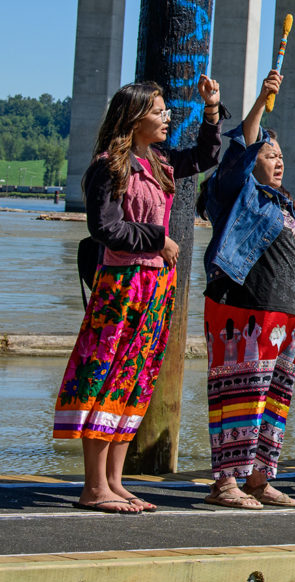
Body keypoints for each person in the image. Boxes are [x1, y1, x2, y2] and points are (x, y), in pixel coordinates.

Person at [53, 76, 222, 513]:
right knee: (105, 378)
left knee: (135, 381)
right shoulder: (109, 166)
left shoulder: (160, 162)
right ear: (134, 118)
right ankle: (93, 488)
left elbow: (204, 156)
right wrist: (156, 238)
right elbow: (104, 228)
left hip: (156, 287)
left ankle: (115, 481)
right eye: (158, 111)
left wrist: (211, 110)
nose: (166, 118)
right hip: (122, 288)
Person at [198, 70, 295, 509]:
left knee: (274, 400)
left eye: (281, 155)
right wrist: (262, 101)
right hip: (242, 311)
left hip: (285, 316)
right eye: (269, 154)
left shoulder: (286, 206)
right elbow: (238, 151)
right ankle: (226, 482)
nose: (278, 161)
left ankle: (260, 478)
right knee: (238, 395)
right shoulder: (236, 196)